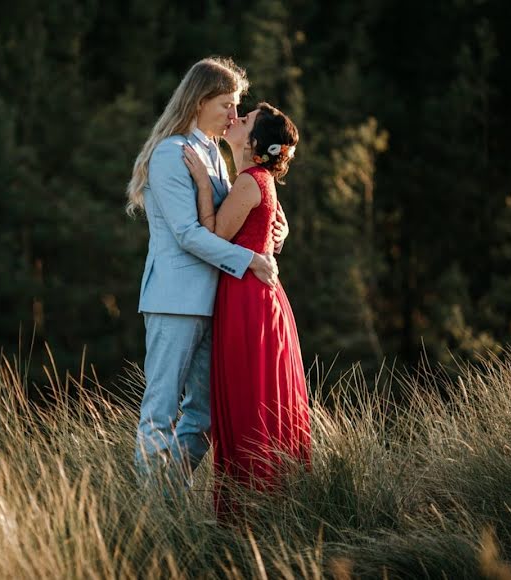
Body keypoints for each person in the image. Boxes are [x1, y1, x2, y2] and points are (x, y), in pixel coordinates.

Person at [126, 57, 288, 489]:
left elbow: (244, 206)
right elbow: (187, 234)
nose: (234, 115)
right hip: (175, 300)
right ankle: (153, 511)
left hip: (215, 302)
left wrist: (278, 226)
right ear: (198, 101)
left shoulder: (213, 155)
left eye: (237, 106)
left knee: (204, 417)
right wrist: (250, 261)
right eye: (226, 105)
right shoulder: (170, 153)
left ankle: (169, 496)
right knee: (160, 410)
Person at [183, 102, 310, 519]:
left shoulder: (250, 181)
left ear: (255, 144)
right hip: (253, 296)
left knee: (249, 403)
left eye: (247, 119)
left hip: (248, 302)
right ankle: (267, 508)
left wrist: (202, 182)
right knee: (253, 401)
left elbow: (214, 234)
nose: (236, 117)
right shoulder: (254, 179)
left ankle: (250, 514)